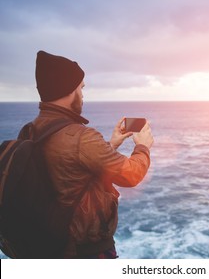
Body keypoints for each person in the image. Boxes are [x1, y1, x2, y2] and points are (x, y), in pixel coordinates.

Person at [31, 50, 154, 258]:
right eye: (81, 87)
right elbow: (130, 175)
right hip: (86, 251)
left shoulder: (32, 130)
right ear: (70, 90)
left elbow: (70, 169)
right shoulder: (81, 137)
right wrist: (143, 147)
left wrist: (111, 145)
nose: (83, 94)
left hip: (50, 244)